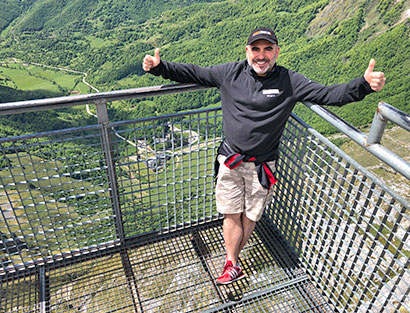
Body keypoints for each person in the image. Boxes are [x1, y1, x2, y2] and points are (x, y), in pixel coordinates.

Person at [142, 27, 386, 285]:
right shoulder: (230, 73)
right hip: (230, 160)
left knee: (250, 215)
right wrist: (159, 67)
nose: (261, 55)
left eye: (267, 49)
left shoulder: (290, 81)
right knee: (231, 212)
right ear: (247, 51)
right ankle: (231, 262)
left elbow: (329, 95)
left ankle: (233, 258)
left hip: (262, 165)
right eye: (256, 49)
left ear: (277, 52)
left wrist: (364, 85)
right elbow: (195, 72)